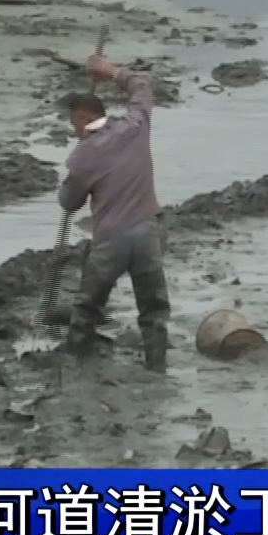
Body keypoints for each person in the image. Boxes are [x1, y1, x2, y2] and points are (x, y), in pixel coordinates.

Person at [58, 55, 170, 372]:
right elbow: (142, 86)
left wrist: (73, 177)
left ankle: (73, 365)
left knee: (87, 306)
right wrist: (111, 72)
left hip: (111, 241)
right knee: (154, 310)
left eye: (73, 124)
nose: (74, 131)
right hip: (148, 233)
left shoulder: (83, 156)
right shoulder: (135, 126)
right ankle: (157, 369)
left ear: (81, 118)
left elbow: (69, 203)